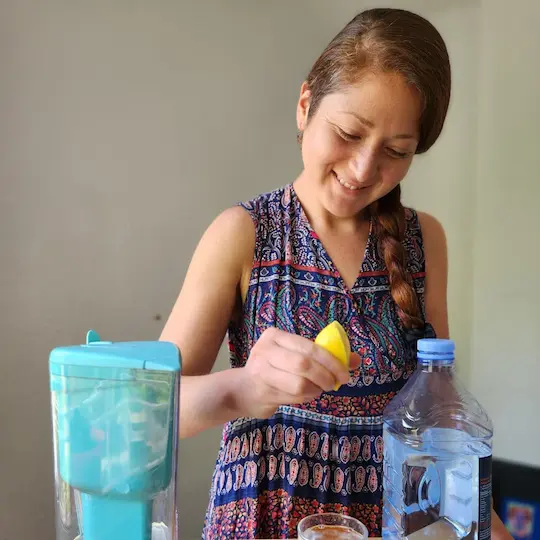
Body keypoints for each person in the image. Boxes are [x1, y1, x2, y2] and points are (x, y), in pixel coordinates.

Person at [161, 8, 511, 539]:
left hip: (382, 525)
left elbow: (437, 422)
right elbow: (150, 410)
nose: (364, 169)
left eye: (396, 151)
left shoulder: (424, 242)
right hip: (263, 522)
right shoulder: (244, 233)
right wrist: (243, 388)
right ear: (306, 106)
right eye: (348, 132)